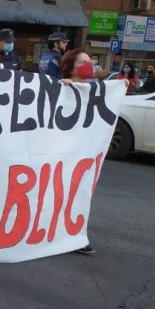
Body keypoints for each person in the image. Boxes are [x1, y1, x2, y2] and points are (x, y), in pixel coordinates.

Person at [58, 48, 98, 255]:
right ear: (70, 66)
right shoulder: (61, 88)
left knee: (79, 194)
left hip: (83, 154)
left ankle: (75, 236)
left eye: (89, 61)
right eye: (82, 62)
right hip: (61, 152)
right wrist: (65, 87)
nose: (87, 65)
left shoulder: (97, 89)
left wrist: (120, 87)